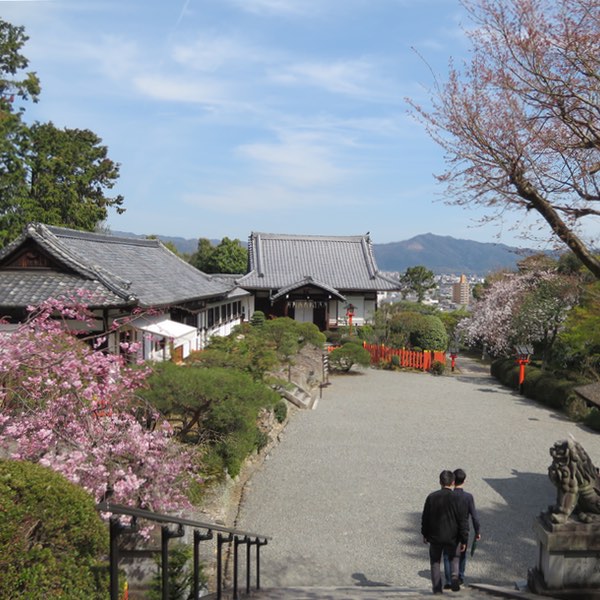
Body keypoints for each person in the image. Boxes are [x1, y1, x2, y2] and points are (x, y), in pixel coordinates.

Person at [421, 470, 468, 594]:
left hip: (435, 536)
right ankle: (454, 576)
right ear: (453, 483)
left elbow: (425, 518)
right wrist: (464, 539)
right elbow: (463, 521)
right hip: (453, 536)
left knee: (435, 562)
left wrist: (424, 534)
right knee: (454, 558)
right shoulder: (458, 499)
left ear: (440, 482)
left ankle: (437, 589)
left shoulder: (431, 497)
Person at [443, 468, 481, 588]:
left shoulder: (447, 496)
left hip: (448, 530)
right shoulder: (468, 497)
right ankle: (460, 577)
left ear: (453, 481)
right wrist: (477, 531)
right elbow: (474, 517)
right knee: (462, 554)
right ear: (465, 481)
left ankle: (448, 581)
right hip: (462, 530)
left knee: (447, 555)